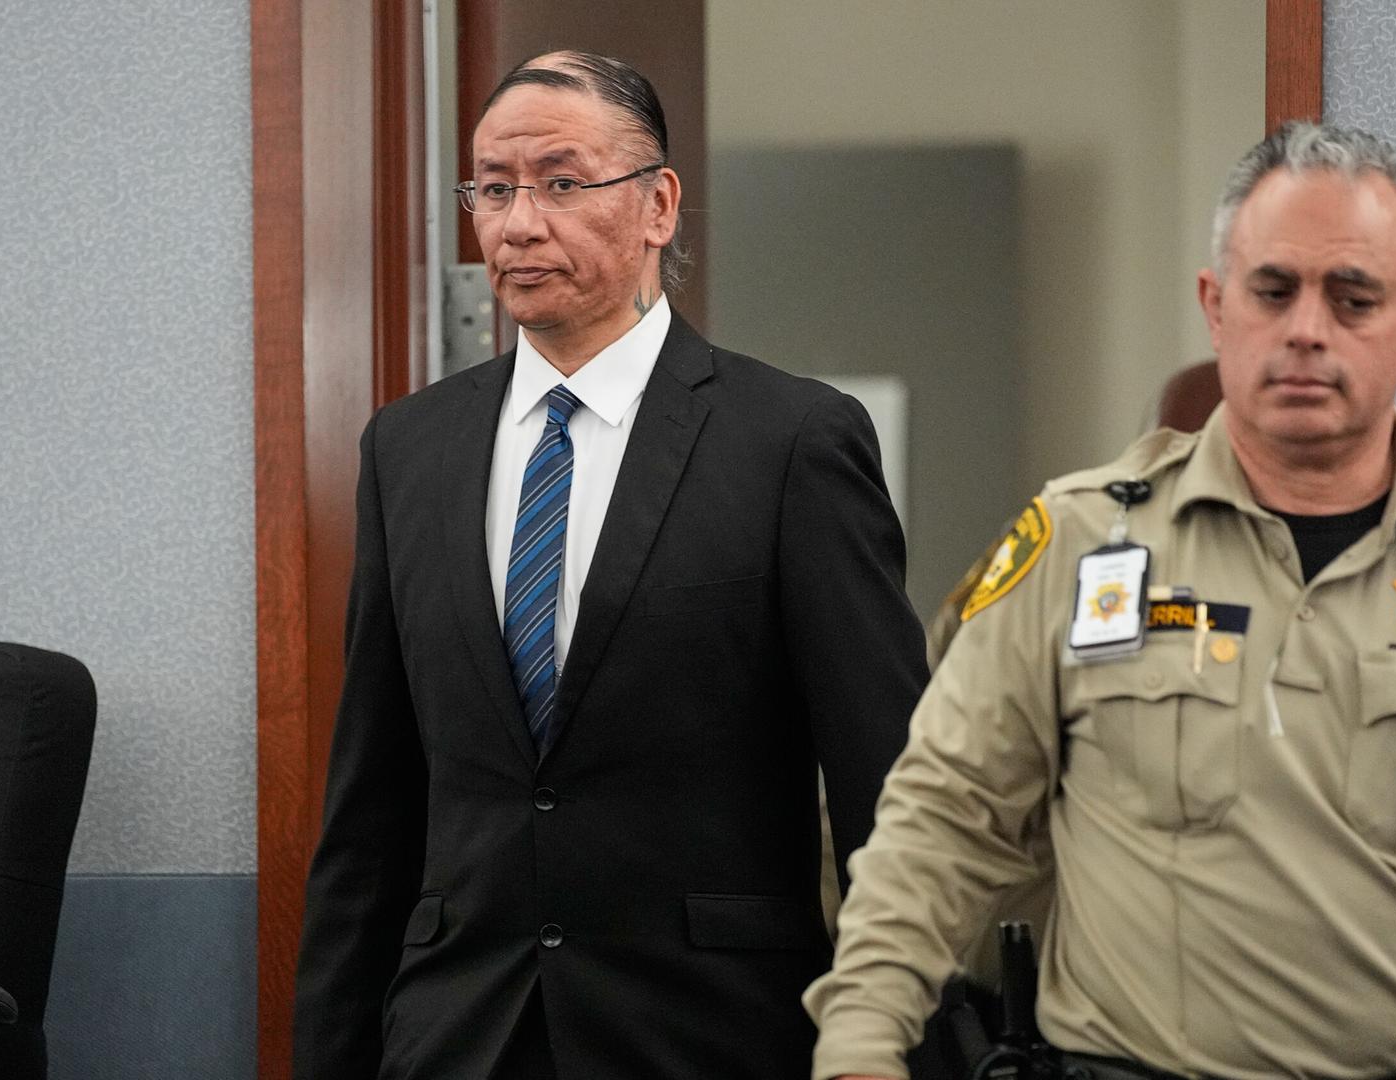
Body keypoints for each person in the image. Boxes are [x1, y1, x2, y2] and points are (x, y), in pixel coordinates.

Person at [807, 120, 1396, 1080]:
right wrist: (861, 1051)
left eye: (1354, 297)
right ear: (1216, 306)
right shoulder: (1080, 544)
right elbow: (940, 825)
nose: (1306, 329)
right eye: (1273, 289)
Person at [294, 50, 930, 1079]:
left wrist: (900, 1043)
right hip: (460, 1035)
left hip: (710, 1031)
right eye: (493, 188)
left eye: (561, 181)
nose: (519, 222)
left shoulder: (791, 442)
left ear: (658, 206)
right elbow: (371, 810)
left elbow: (889, 790)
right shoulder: (409, 450)